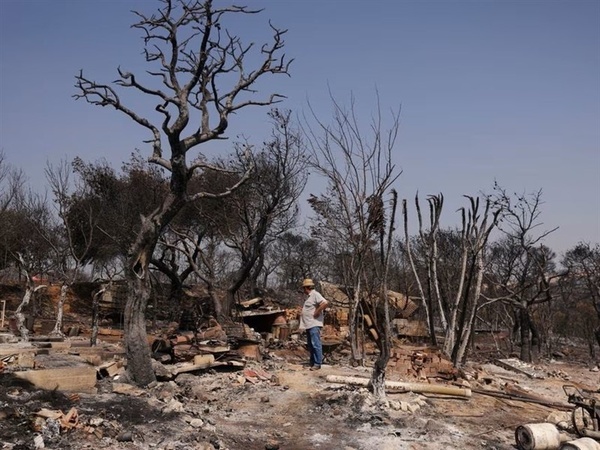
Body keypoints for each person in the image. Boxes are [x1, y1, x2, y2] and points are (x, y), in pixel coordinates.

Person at [300, 278, 328, 370]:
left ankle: (317, 363)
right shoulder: (309, 297)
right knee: (311, 344)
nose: (303, 290)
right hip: (308, 324)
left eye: (304, 288)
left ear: (306, 288)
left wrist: (317, 311)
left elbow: (324, 303)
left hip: (314, 324)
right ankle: (312, 362)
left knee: (315, 344)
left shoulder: (315, 294)